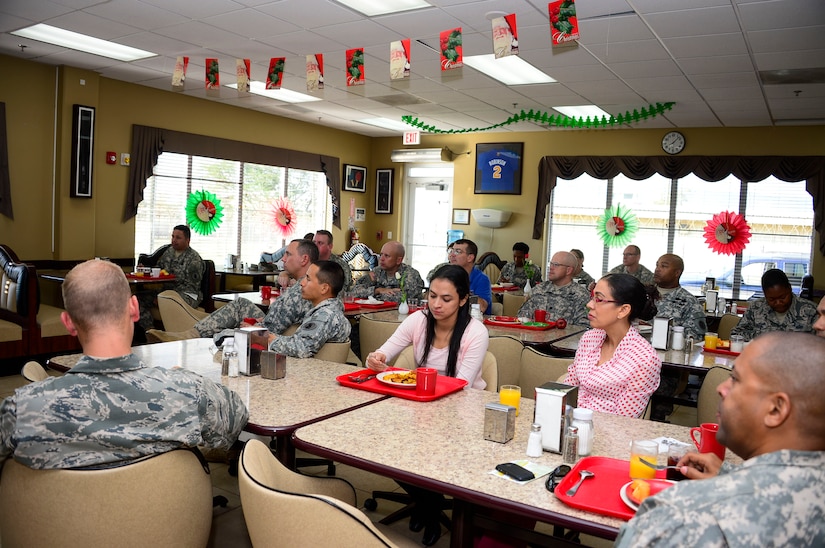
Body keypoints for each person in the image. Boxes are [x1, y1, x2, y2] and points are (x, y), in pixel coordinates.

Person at [0, 260, 248, 469]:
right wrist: (180, 378)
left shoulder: (22, 409)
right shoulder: (188, 392)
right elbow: (236, 420)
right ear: (134, 309)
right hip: (164, 523)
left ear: (69, 323)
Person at [615, 332, 825, 547]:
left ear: (775, 409)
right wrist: (728, 476)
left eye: (735, 379)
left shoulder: (687, 517)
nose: (720, 388)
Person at [365, 264, 489, 545]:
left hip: (463, 410)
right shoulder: (418, 320)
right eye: (432, 296)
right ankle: (427, 502)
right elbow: (384, 351)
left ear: (462, 299)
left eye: (446, 299)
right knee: (381, 446)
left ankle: (429, 508)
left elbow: (462, 385)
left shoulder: (475, 332)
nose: (436, 304)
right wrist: (376, 359)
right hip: (420, 402)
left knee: (424, 447)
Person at [148, 239, 322, 348]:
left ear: (304, 259)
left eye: (288, 255)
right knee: (242, 304)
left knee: (231, 322)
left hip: (272, 336)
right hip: (275, 325)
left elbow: (273, 327)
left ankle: (189, 338)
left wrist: (254, 324)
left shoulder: (300, 289)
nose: (283, 259)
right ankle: (189, 335)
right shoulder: (309, 282)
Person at [563, 273, 661, 417]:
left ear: (623, 310)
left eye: (599, 299)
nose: (590, 304)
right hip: (570, 425)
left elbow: (622, 421)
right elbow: (569, 386)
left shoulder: (644, 360)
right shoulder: (590, 338)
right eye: (592, 297)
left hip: (607, 433)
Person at [249, 260, 351, 357]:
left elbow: (301, 348)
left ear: (324, 288)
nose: (302, 283)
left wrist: (263, 339)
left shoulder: (326, 316)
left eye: (308, 279)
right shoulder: (329, 310)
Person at [137, 224, 204, 330]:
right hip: (166, 292)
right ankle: (150, 331)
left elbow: (191, 286)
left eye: (178, 238)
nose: (174, 240)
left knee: (169, 300)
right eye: (173, 236)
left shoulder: (194, 259)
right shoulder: (169, 252)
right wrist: (146, 270)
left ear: (187, 240)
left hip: (187, 294)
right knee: (137, 299)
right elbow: (159, 271)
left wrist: (165, 297)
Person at [731, 268, 817, 340]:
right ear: (765, 294)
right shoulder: (756, 308)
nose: (778, 303)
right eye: (772, 299)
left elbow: (820, 343)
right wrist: (762, 338)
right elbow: (736, 334)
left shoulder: (810, 310)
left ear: (790, 288)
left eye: (782, 297)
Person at [517, 251, 590, 326]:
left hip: (563, 337)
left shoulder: (580, 295)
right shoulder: (540, 289)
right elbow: (522, 317)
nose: (551, 268)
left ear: (568, 270)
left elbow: (583, 328)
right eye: (551, 264)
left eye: (556, 265)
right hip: (533, 335)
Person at [652, 253, 707, 340]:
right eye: (657, 265)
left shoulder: (689, 301)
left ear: (677, 273)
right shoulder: (643, 294)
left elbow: (695, 337)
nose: (657, 269)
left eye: (664, 266)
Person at [352, 241, 424, 303]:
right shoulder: (377, 271)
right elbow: (353, 292)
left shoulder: (410, 275)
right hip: (377, 314)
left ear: (398, 260)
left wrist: (370, 296)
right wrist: (377, 290)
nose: (381, 259)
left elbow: (401, 300)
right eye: (381, 255)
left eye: (387, 256)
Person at [448, 239, 493, 314]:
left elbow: (482, 307)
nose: (452, 255)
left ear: (470, 258)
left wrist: (462, 289)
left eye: (457, 251)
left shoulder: (482, 279)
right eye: (451, 251)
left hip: (474, 321)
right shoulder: (445, 274)